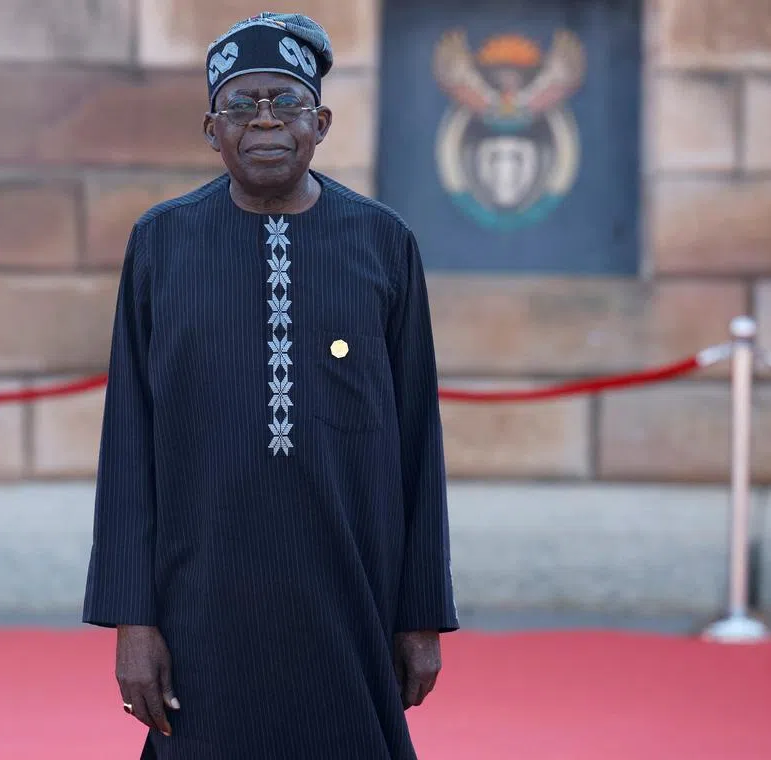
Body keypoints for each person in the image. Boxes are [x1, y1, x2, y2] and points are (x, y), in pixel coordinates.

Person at [82, 11, 458, 759]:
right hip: (201, 598)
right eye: (240, 105)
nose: (264, 122)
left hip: (353, 592)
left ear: (319, 122)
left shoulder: (384, 243)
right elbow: (128, 438)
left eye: (284, 103)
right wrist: (133, 621)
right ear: (209, 128)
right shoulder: (162, 243)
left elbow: (419, 436)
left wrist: (421, 615)